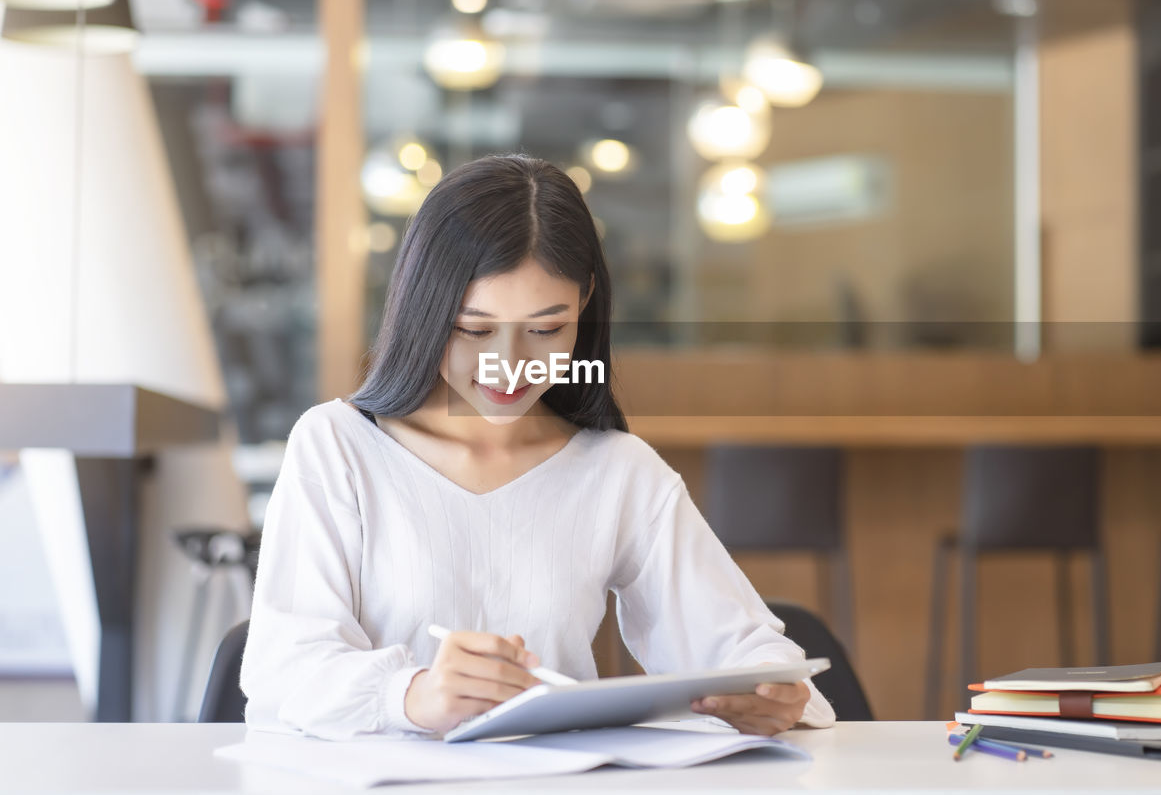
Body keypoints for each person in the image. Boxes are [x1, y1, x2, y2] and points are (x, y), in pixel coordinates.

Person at [240, 154, 837, 740]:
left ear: (585, 303)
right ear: (424, 310)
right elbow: (282, 670)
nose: (510, 363)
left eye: (546, 328)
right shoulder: (338, 447)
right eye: (474, 329)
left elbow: (744, 649)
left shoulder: (617, 471)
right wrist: (414, 694)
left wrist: (772, 694)